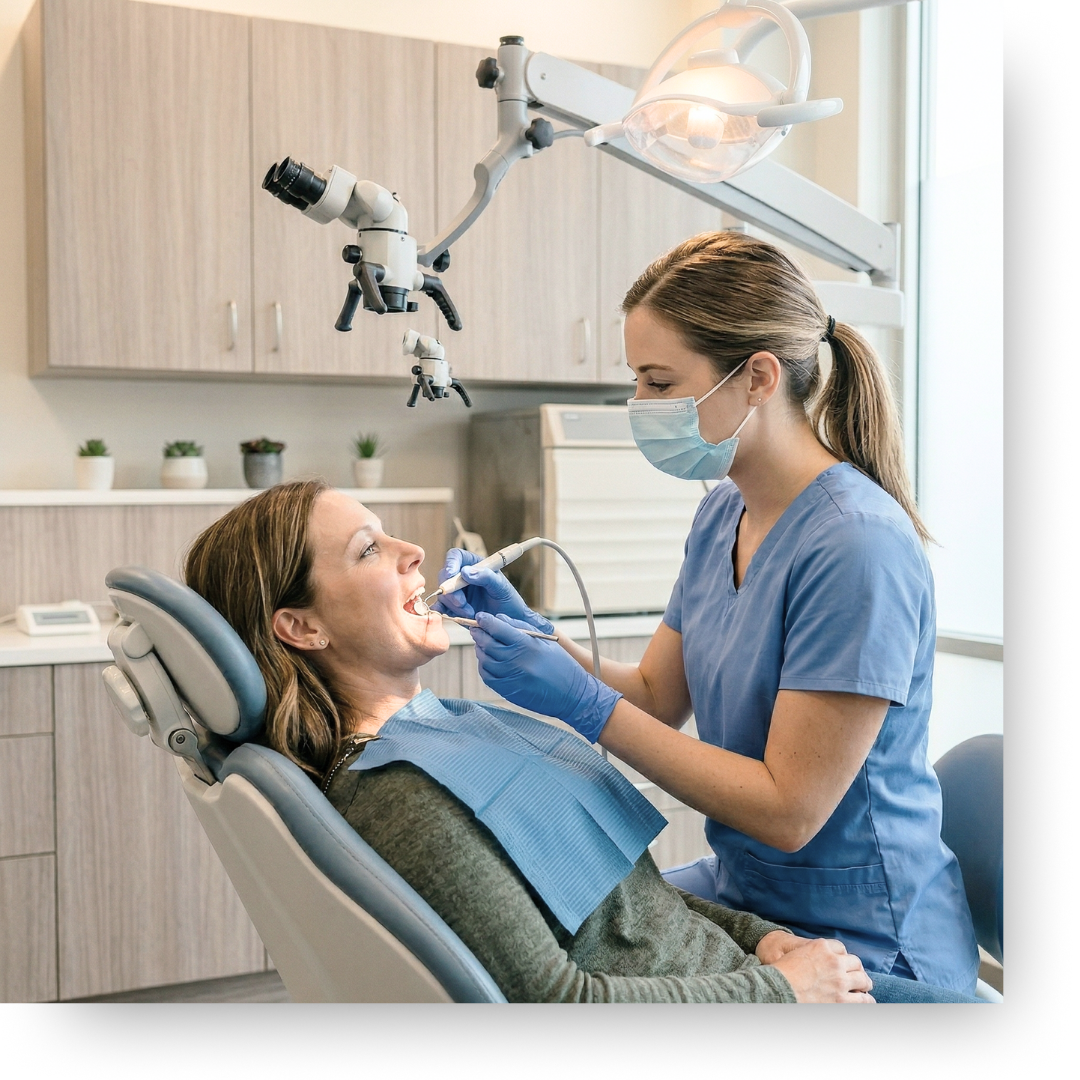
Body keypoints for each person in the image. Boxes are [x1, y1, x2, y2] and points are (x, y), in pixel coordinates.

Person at [182, 480, 973, 1003]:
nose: (411, 553)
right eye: (368, 549)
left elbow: (632, 906)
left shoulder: (438, 729)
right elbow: (555, 996)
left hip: (751, 959)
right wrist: (783, 989)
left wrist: (764, 942)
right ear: (301, 627)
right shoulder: (402, 795)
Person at [439, 232, 981, 994]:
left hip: (866, 942)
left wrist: (585, 705)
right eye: (637, 382)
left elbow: (790, 810)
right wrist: (542, 638)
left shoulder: (857, 546)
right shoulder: (722, 513)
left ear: (757, 376)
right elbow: (660, 696)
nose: (640, 406)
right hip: (753, 900)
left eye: (659, 383)